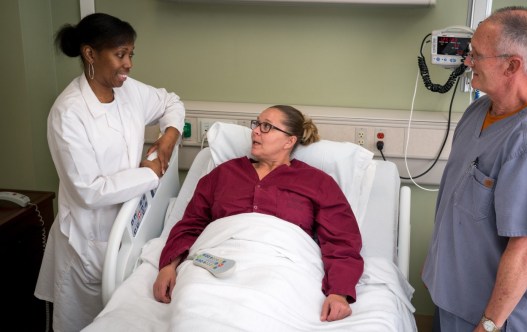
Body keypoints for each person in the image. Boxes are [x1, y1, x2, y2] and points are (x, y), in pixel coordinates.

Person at [422, 6, 527, 332]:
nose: (467, 62)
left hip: (488, 317)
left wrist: (489, 325)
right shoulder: (478, 111)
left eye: (476, 55)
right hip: (451, 298)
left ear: (512, 65)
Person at [34, 13, 185, 332]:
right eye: (120, 55)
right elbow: (88, 191)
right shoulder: (69, 114)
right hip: (90, 242)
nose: (128, 64)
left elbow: (170, 101)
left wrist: (168, 136)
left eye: (131, 54)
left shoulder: (129, 92)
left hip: (126, 230)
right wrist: (151, 173)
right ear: (90, 54)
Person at [153, 105, 364, 322]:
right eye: (256, 124)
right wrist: (169, 266)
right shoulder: (224, 173)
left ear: (289, 141)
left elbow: (341, 241)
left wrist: (338, 292)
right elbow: (191, 223)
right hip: (216, 260)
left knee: (266, 305)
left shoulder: (318, 182)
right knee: (194, 299)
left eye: (266, 127)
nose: (255, 131)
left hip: (281, 266)